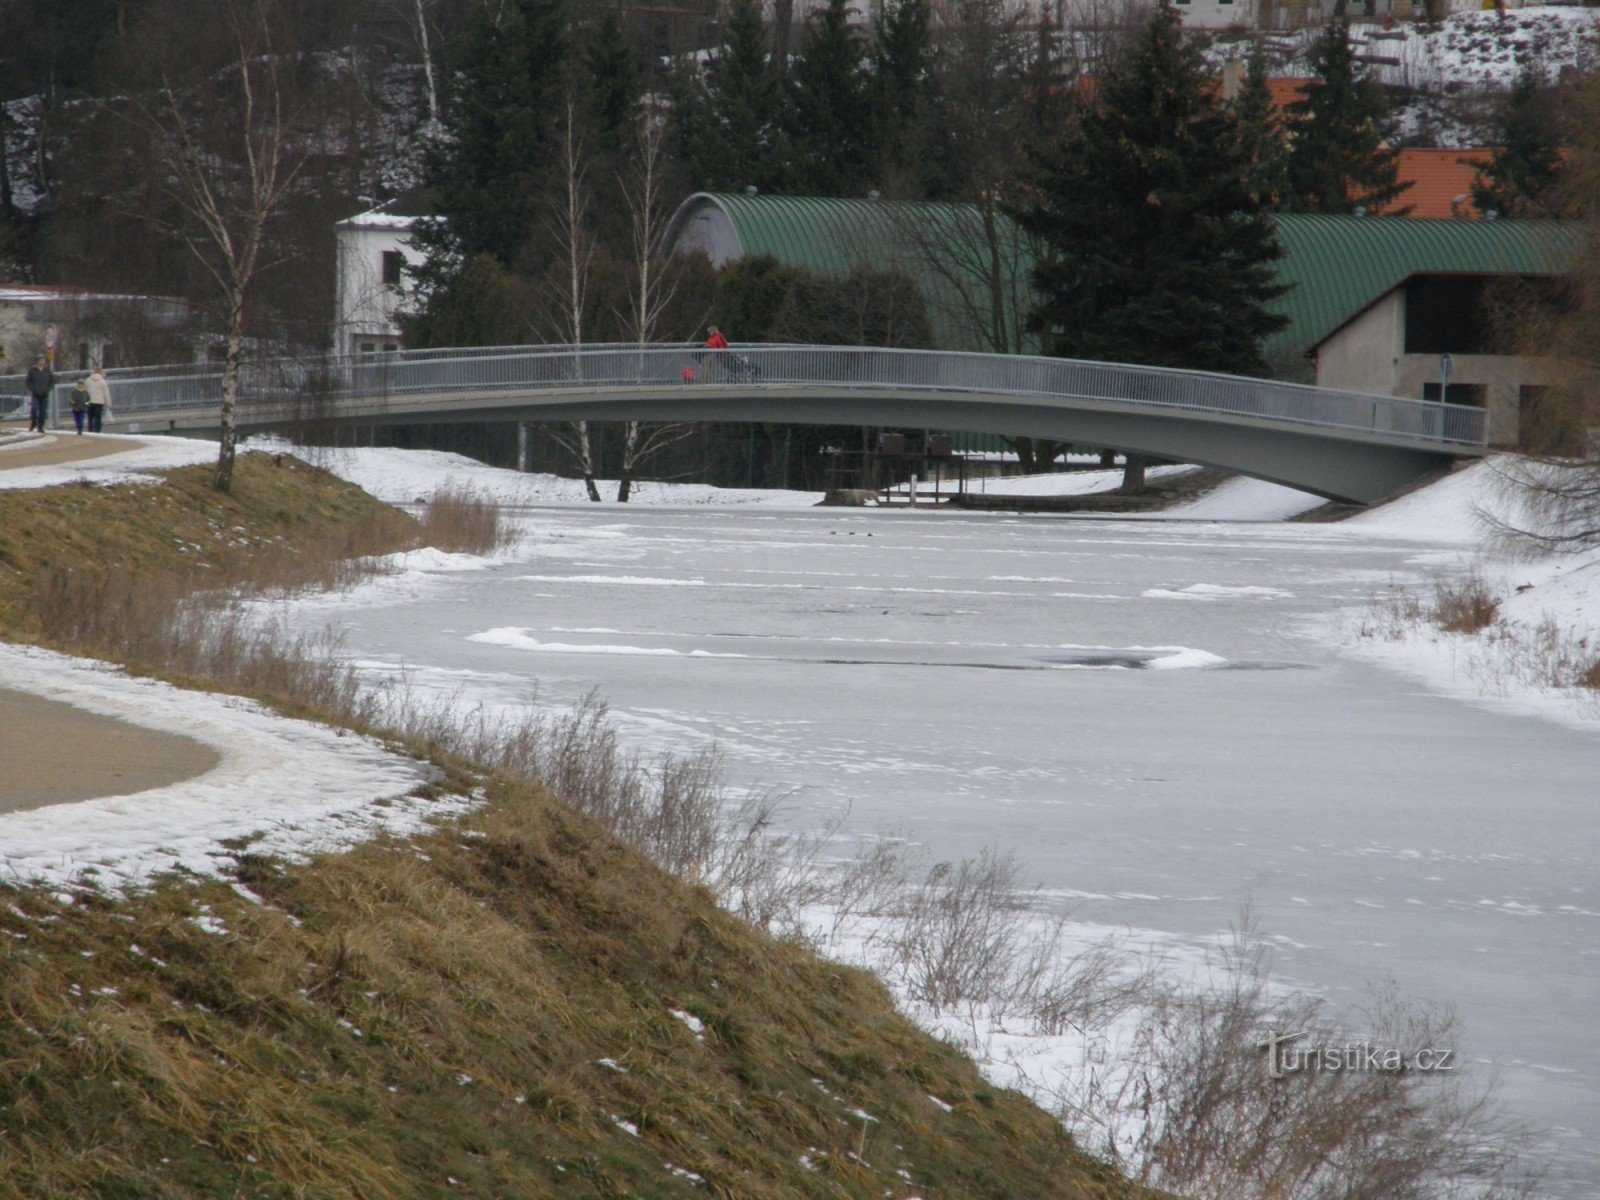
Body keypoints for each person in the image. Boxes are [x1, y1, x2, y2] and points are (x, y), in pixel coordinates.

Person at [25, 355, 53, 434]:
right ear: (37, 361)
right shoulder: (32, 370)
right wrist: (33, 389)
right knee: (34, 408)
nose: (42, 362)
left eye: (43, 360)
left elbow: (52, 381)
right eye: (40, 360)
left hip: (44, 393)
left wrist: (48, 388)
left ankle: (40, 426)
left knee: (43, 411)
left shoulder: (47, 370)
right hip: (35, 393)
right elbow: (28, 381)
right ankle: (33, 421)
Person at [85, 367, 111, 433]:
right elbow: (106, 394)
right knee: (98, 418)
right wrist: (109, 404)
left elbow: (84, 392)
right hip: (99, 402)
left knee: (90, 418)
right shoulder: (103, 382)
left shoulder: (87, 380)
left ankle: (90, 430)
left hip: (90, 402)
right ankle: (97, 431)